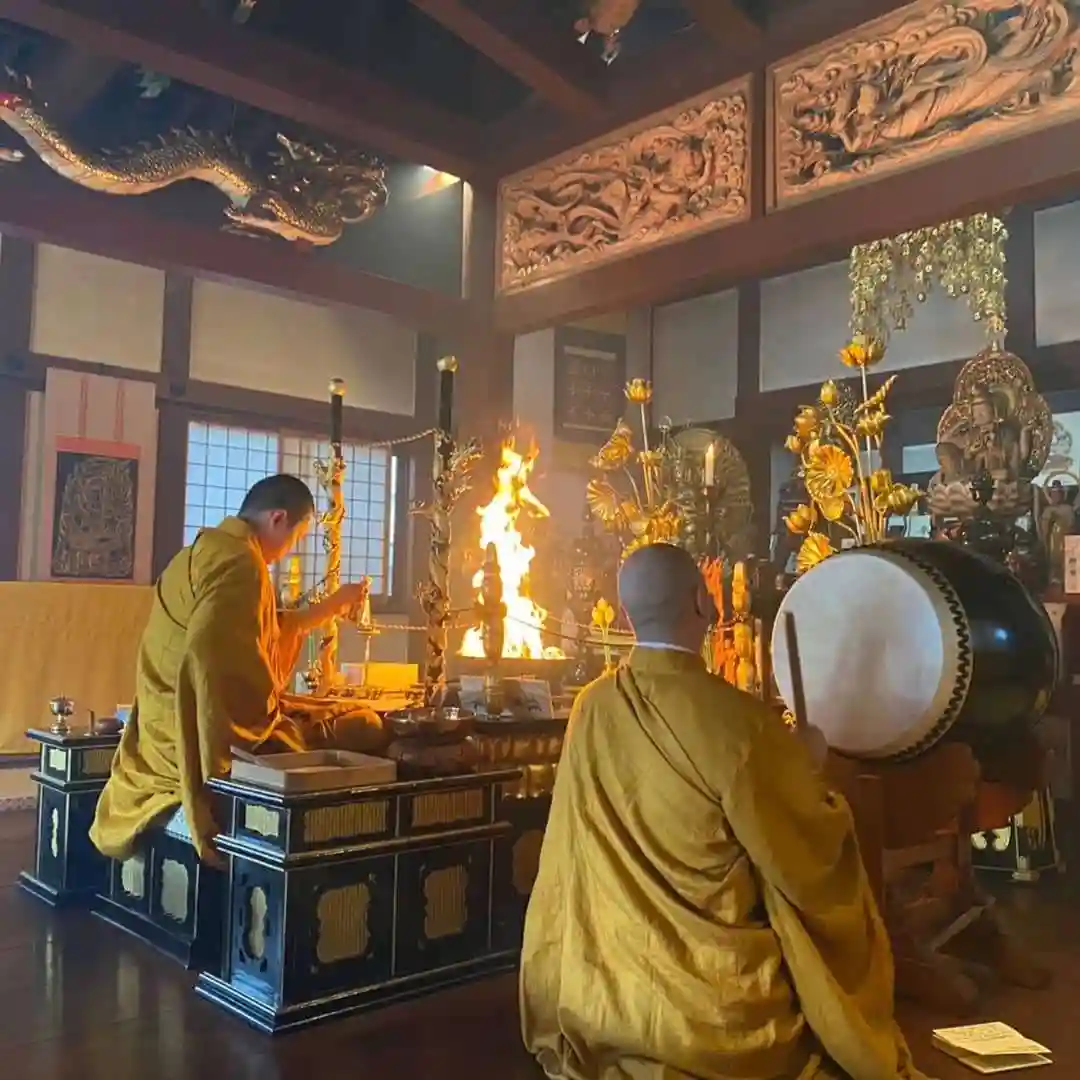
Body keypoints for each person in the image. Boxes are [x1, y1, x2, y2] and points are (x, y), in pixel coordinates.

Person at [521, 543, 928, 1080]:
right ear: (703, 601)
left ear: (624, 613)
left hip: (602, 989)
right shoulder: (740, 722)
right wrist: (810, 769)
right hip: (710, 1013)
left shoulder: (590, 707)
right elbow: (805, 857)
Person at [90, 474, 384, 865]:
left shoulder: (201, 550)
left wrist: (331, 605)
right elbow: (210, 659)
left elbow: (260, 633)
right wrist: (274, 710)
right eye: (295, 538)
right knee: (364, 724)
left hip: (160, 727)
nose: (289, 550)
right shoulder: (244, 564)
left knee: (330, 712)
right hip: (194, 733)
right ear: (278, 518)